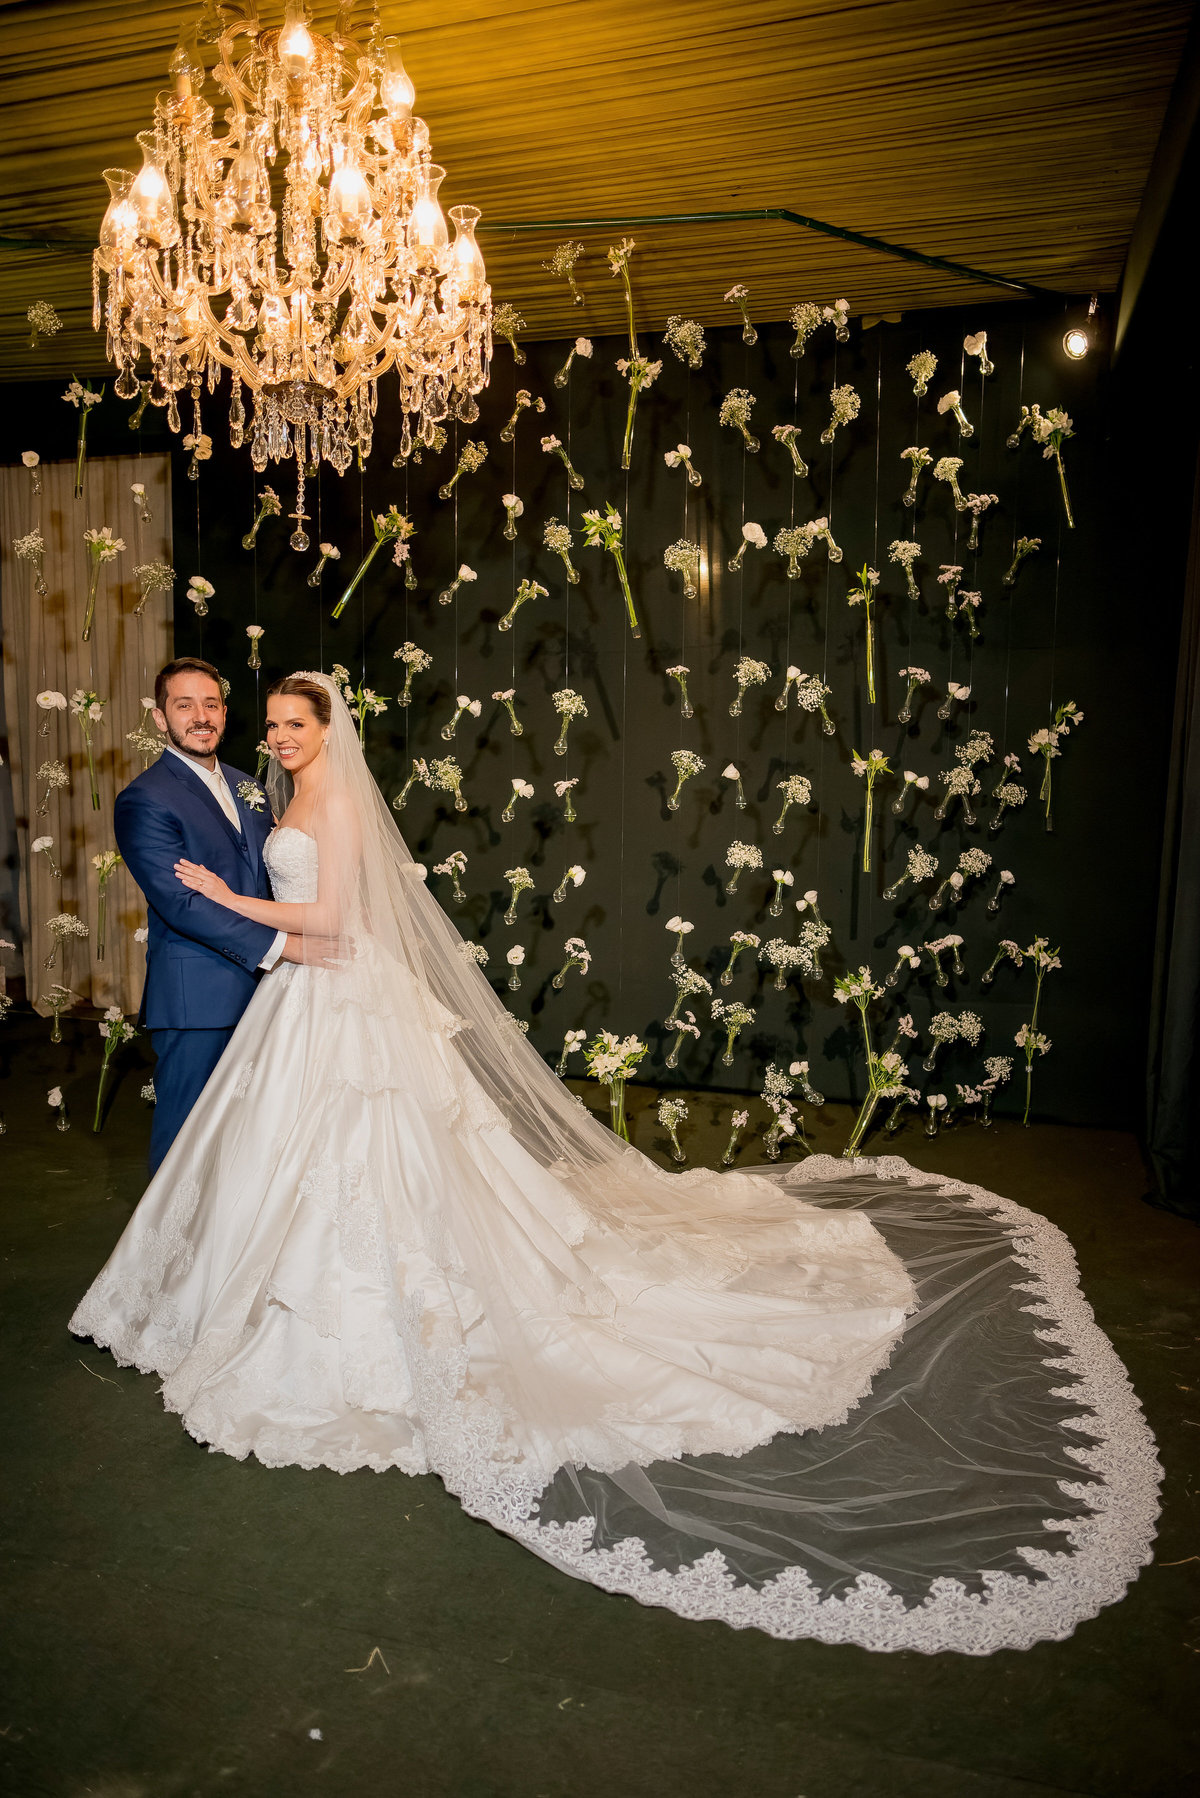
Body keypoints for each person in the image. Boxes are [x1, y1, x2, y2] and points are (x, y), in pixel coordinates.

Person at [71, 671, 1160, 1653]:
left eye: (291, 723)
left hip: (326, 989)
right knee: (268, 1157)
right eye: (268, 723)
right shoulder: (262, 797)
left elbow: (338, 916)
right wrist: (268, 924)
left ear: (329, 730)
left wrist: (236, 902)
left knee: (377, 1160)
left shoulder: (336, 803)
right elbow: (287, 909)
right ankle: (233, 1285)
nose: (276, 735)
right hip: (294, 997)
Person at [114, 658, 304, 1171]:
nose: (201, 716)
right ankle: (168, 1230)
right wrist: (285, 947)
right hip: (199, 999)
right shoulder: (144, 799)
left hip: (271, 994)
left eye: (211, 704)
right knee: (186, 1140)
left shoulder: (249, 786)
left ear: (223, 712)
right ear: (160, 718)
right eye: (185, 705)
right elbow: (182, 904)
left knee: (253, 1137)